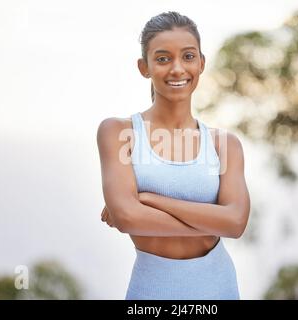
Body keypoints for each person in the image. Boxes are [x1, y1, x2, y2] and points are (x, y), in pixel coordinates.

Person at [96, 11, 250, 300]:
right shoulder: (118, 132)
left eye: (188, 57)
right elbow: (127, 216)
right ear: (145, 67)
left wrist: (151, 199)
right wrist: (212, 223)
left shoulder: (224, 144)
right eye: (163, 58)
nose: (177, 69)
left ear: (201, 64)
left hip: (218, 291)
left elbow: (236, 222)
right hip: (150, 294)